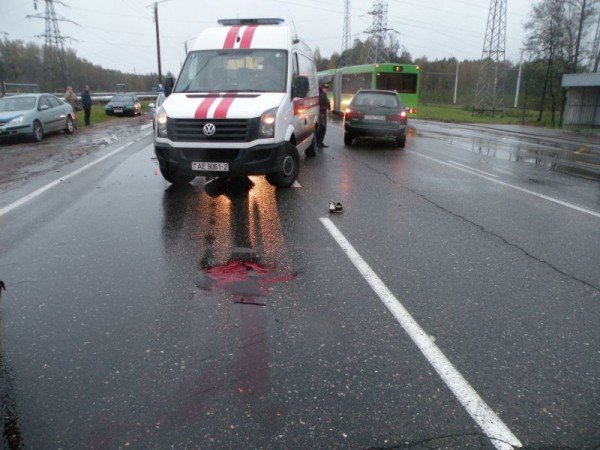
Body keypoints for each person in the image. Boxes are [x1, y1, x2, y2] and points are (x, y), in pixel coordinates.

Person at [317, 82, 331, 148]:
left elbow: (327, 102)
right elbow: (321, 101)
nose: (326, 89)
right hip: (320, 111)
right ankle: (318, 141)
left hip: (324, 111)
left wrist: (329, 108)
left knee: (324, 127)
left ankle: (320, 142)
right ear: (322, 87)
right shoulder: (319, 93)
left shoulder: (324, 94)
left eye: (327, 88)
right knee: (322, 126)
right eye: (325, 87)